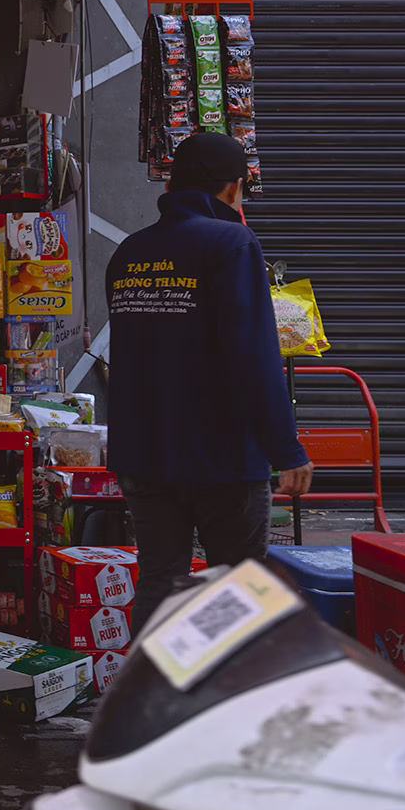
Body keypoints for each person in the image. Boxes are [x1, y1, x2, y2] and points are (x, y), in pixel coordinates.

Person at [104, 131, 313, 629]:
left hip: (144, 455)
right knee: (235, 587)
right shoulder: (232, 242)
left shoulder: (129, 252)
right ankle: (228, 680)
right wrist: (286, 449)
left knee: (160, 581)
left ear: (172, 187)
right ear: (233, 188)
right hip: (222, 458)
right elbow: (253, 355)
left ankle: (150, 681)